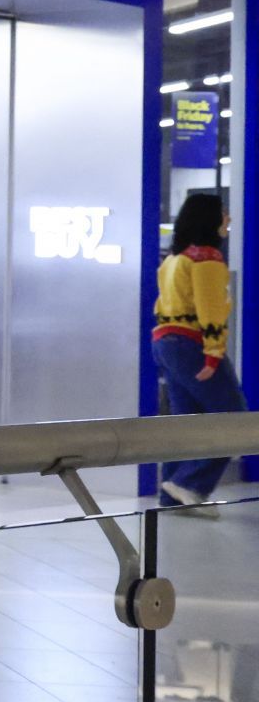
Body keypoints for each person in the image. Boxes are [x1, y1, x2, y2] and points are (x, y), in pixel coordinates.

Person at [152, 193, 244, 510]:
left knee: (187, 423)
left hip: (166, 341)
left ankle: (173, 495)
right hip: (193, 344)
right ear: (210, 219)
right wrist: (214, 353)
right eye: (223, 213)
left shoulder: (174, 259)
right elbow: (211, 310)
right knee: (233, 421)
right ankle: (188, 483)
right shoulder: (207, 260)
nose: (227, 219)